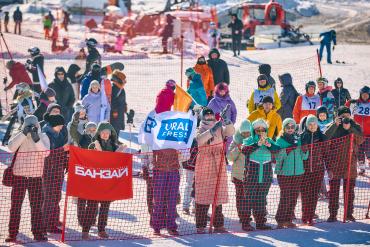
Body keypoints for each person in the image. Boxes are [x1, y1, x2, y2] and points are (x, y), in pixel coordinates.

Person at [5, 115, 50, 243]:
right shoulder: (19, 134)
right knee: (15, 206)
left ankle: (37, 233)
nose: (31, 128)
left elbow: (46, 153)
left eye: (33, 125)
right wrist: (23, 134)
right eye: (28, 125)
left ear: (38, 125)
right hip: (19, 176)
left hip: (35, 177)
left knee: (36, 206)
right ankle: (12, 233)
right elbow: (10, 147)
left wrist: (36, 138)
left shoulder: (43, 136)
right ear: (24, 125)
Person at [81, 122, 126, 239]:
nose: (105, 135)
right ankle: (85, 230)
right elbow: (89, 159)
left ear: (111, 134)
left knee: (105, 207)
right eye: (103, 132)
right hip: (95, 182)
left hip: (108, 182)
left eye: (107, 133)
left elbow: (118, 162)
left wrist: (121, 151)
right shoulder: (93, 145)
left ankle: (101, 229)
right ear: (99, 133)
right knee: (91, 207)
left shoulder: (114, 146)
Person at [195, 107, 235, 234]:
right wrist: (211, 130)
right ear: (202, 117)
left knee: (217, 195)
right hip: (205, 163)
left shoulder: (219, 127)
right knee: (203, 195)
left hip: (218, 163)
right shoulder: (200, 128)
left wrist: (227, 121)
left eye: (211, 115)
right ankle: (200, 225)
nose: (209, 117)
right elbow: (199, 140)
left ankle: (218, 224)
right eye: (206, 116)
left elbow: (230, 132)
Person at [325, 106, 363, 222]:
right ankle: (332, 214)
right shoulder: (334, 125)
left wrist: (350, 128)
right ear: (338, 116)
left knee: (349, 191)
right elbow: (325, 138)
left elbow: (360, 140)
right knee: (334, 191)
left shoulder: (355, 125)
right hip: (334, 163)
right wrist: (334, 125)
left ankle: (348, 213)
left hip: (350, 163)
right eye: (343, 116)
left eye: (347, 115)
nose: (345, 118)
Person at [241, 118, 279, 231]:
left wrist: (268, 145)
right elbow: (244, 150)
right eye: (258, 130)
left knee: (261, 198)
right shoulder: (249, 140)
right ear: (254, 130)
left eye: (262, 130)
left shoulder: (268, 139)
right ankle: (245, 222)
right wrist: (257, 144)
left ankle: (261, 222)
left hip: (266, 172)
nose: (260, 132)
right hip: (252, 172)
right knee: (249, 198)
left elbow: (277, 149)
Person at [275, 118, 308, 228]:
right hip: (284, 173)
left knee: (294, 196)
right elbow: (277, 157)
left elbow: (304, 157)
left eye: (292, 127)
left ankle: (288, 219)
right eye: (288, 127)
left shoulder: (298, 139)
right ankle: (280, 219)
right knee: (285, 196)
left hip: (298, 172)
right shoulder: (280, 140)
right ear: (284, 128)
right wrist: (287, 150)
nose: (290, 129)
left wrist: (305, 150)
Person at [42, 114, 68, 234]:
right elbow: (49, 153)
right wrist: (63, 149)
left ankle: (54, 221)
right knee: (49, 198)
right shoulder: (46, 135)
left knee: (57, 197)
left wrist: (66, 159)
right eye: (60, 125)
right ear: (54, 125)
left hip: (58, 169)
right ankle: (47, 224)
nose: (62, 127)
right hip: (49, 171)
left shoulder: (60, 133)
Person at [300, 114, 327, 225]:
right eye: (310, 124)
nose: (312, 126)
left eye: (314, 124)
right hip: (305, 170)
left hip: (317, 169)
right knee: (305, 193)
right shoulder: (303, 136)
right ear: (306, 125)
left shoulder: (320, 136)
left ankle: (310, 216)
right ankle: (304, 214)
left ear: (317, 125)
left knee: (314, 194)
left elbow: (326, 149)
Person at [227, 119, 251, 231]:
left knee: (248, 197)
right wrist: (238, 149)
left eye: (248, 132)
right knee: (240, 197)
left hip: (250, 175)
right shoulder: (236, 141)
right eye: (244, 133)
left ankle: (245, 215)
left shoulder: (252, 141)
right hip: (238, 175)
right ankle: (243, 216)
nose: (246, 135)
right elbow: (229, 157)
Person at [346, 86, 369, 175]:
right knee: (359, 151)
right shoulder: (355, 103)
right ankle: (362, 167)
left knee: (368, 150)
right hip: (358, 132)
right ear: (360, 94)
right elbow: (346, 107)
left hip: (368, 133)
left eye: (367, 95)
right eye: (363, 94)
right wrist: (350, 101)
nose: (365, 96)